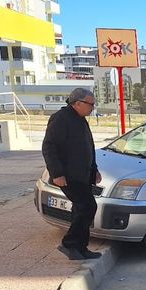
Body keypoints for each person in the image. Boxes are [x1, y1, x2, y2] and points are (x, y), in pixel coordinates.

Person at [42, 88, 102, 260]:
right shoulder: (61, 118)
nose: (92, 107)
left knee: (80, 209)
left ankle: (80, 248)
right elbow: (49, 147)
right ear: (78, 103)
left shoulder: (80, 119)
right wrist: (57, 173)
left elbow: (87, 147)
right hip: (68, 175)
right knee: (88, 206)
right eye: (90, 104)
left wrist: (94, 169)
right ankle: (69, 243)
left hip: (82, 174)